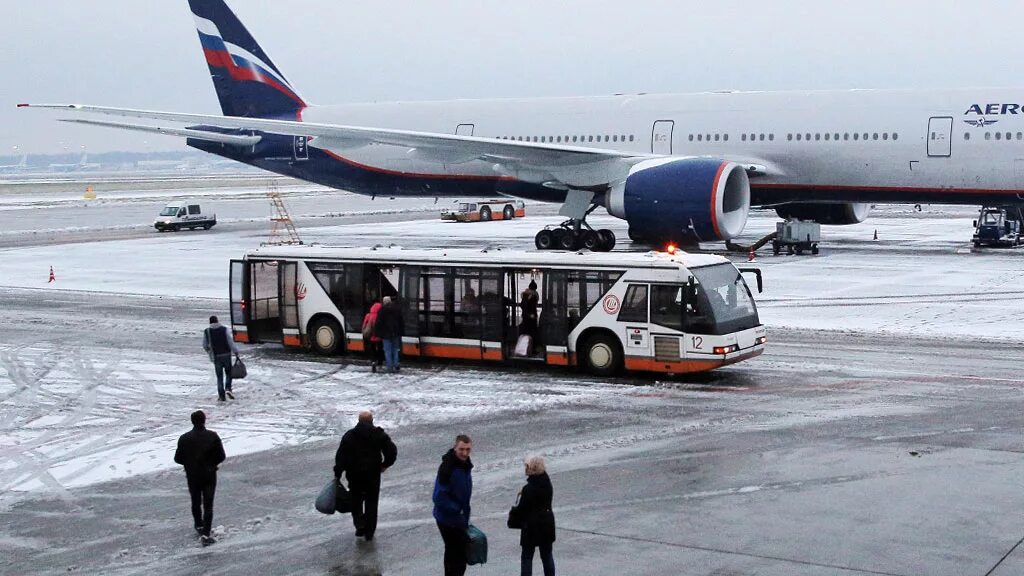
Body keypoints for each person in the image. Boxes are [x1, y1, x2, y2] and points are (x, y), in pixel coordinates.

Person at [333, 410, 397, 541]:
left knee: (356, 501)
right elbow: (391, 451)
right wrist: (385, 465)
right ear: (371, 420)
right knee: (371, 502)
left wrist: (337, 473)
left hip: (354, 475)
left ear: (358, 420)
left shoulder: (349, 436)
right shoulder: (379, 434)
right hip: (372, 475)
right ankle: (369, 531)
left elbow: (341, 457)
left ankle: (359, 525)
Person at [173, 410, 226, 546]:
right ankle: (206, 534)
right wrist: (212, 464)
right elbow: (221, 455)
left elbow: (177, 458)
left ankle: (199, 525)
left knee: (195, 501)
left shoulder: (184, 438)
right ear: (204, 420)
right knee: (208, 504)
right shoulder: (212, 436)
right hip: (209, 474)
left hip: (192, 475)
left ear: (192, 421)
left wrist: (189, 464)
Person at [433, 435, 474, 576]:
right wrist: (458, 511)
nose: (465, 453)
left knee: (454, 554)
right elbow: (438, 497)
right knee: (458, 557)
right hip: (448, 519)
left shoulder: (465, 464)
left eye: (468, 449)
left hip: (457, 518)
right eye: (462, 449)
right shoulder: (448, 468)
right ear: (455, 447)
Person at [516, 456, 556, 576]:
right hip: (547, 523)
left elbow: (522, 508)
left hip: (531, 527)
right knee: (547, 555)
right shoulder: (547, 483)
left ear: (531, 468)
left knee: (527, 557)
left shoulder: (528, 489)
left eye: (526, 466)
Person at [202, 315, 240, 401]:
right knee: (229, 373)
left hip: (216, 357)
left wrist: (209, 351)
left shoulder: (207, 331)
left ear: (210, 322)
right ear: (217, 321)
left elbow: (204, 345)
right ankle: (228, 388)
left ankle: (221, 396)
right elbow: (230, 342)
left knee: (219, 377)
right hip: (226, 355)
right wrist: (236, 352)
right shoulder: (224, 329)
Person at [375, 296, 405, 373]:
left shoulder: (381, 310)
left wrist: (378, 333)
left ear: (384, 302)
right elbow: (401, 321)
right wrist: (401, 331)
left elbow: (378, 323)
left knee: (387, 350)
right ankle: (396, 364)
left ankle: (389, 367)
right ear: (390, 301)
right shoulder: (397, 309)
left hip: (385, 334)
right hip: (396, 333)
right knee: (395, 349)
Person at [362, 301, 384, 373]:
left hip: (371, 337)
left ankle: (373, 361)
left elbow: (364, 325)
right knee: (380, 349)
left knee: (372, 350)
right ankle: (380, 363)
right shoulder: (381, 316)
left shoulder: (368, 315)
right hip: (380, 337)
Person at [519, 280, 539, 354]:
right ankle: (531, 349)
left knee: (526, 333)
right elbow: (532, 306)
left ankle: (526, 349)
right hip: (531, 317)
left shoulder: (525, 295)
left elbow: (522, 305)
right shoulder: (534, 295)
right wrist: (531, 315)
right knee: (532, 333)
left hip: (525, 317)